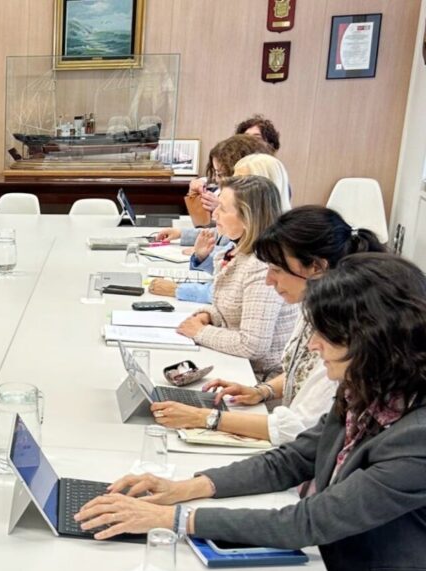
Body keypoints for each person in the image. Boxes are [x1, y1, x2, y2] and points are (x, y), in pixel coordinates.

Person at [75, 253, 426, 571]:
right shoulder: (367, 385)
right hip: (328, 561)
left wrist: (172, 519)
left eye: (327, 335)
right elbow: (293, 459)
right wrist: (186, 487)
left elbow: (309, 522)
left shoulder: (416, 437)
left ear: (373, 339)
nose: (313, 344)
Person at [151, 206, 387, 444]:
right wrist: (263, 391)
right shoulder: (312, 308)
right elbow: (304, 374)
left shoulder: (341, 331)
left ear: (317, 267)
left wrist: (206, 418)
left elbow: (296, 428)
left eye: (276, 269)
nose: (268, 280)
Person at [175, 175, 298, 379]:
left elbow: (253, 345)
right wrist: (209, 315)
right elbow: (232, 309)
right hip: (237, 365)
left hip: (259, 377)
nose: (214, 215)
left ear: (248, 218)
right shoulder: (238, 250)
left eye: (222, 209)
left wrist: (199, 332)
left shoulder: (263, 265)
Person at [151, 153, 292, 302]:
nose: (232, 184)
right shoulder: (245, 236)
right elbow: (229, 274)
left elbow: (230, 294)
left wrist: (178, 290)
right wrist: (202, 257)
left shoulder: (267, 255)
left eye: (242, 181)